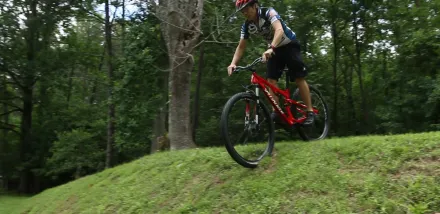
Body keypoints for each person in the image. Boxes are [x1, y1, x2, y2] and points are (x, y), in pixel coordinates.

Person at [227, 0, 315, 126]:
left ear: (255, 5)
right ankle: (277, 112)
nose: (244, 12)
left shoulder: (269, 12)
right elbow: (241, 47)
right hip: (274, 49)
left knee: (298, 78)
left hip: (289, 44)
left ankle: (310, 111)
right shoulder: (247, 25)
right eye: (242, 11)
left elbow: (279, 30)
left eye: (246, 8)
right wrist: (233, 63)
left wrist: (271, 47)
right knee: (270, 80)